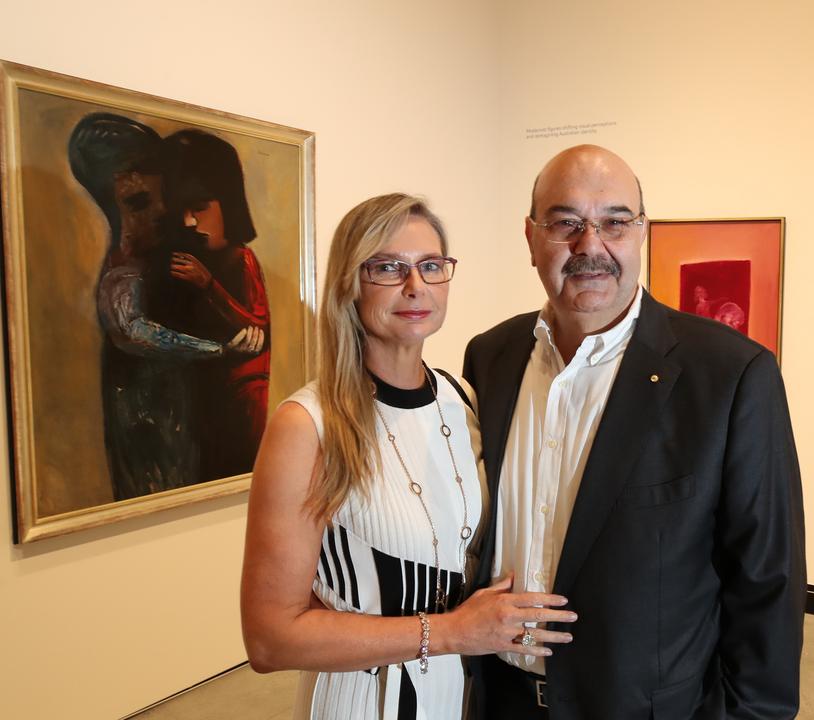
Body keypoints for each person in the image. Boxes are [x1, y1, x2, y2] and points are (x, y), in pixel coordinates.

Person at [463, 146, 806, 718]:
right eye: (565, 222)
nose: (589, 246)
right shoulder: (491, 357)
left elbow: (768, 581)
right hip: (498, 700)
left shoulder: (731, 375)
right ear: (530, 237)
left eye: (615, 222)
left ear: (641, 233)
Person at [241, 194, 576, 720]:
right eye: (388, 268)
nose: (415, 285)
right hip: (364, 702)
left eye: (431, 266)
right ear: (350, 283)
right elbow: (269, 638)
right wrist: (451, 631)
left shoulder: (462, 398)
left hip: (460, 695)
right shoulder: (308, 425)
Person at [68, 113, 256, 501]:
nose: (160, 213)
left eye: (162, 199)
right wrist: (216, 350)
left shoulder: (172, 258)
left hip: (183, 419)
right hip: (146, 423)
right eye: (139, 203)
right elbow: (135, 332)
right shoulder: (122, 271)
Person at [160, 129, 270, 480]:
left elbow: (257, 329)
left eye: (200, 208)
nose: (189, 222)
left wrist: (209, 286)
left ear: (228, 203)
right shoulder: (180, 257)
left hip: (241, 395)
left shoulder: (242, 259)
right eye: (182, 211)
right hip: (199, 391)